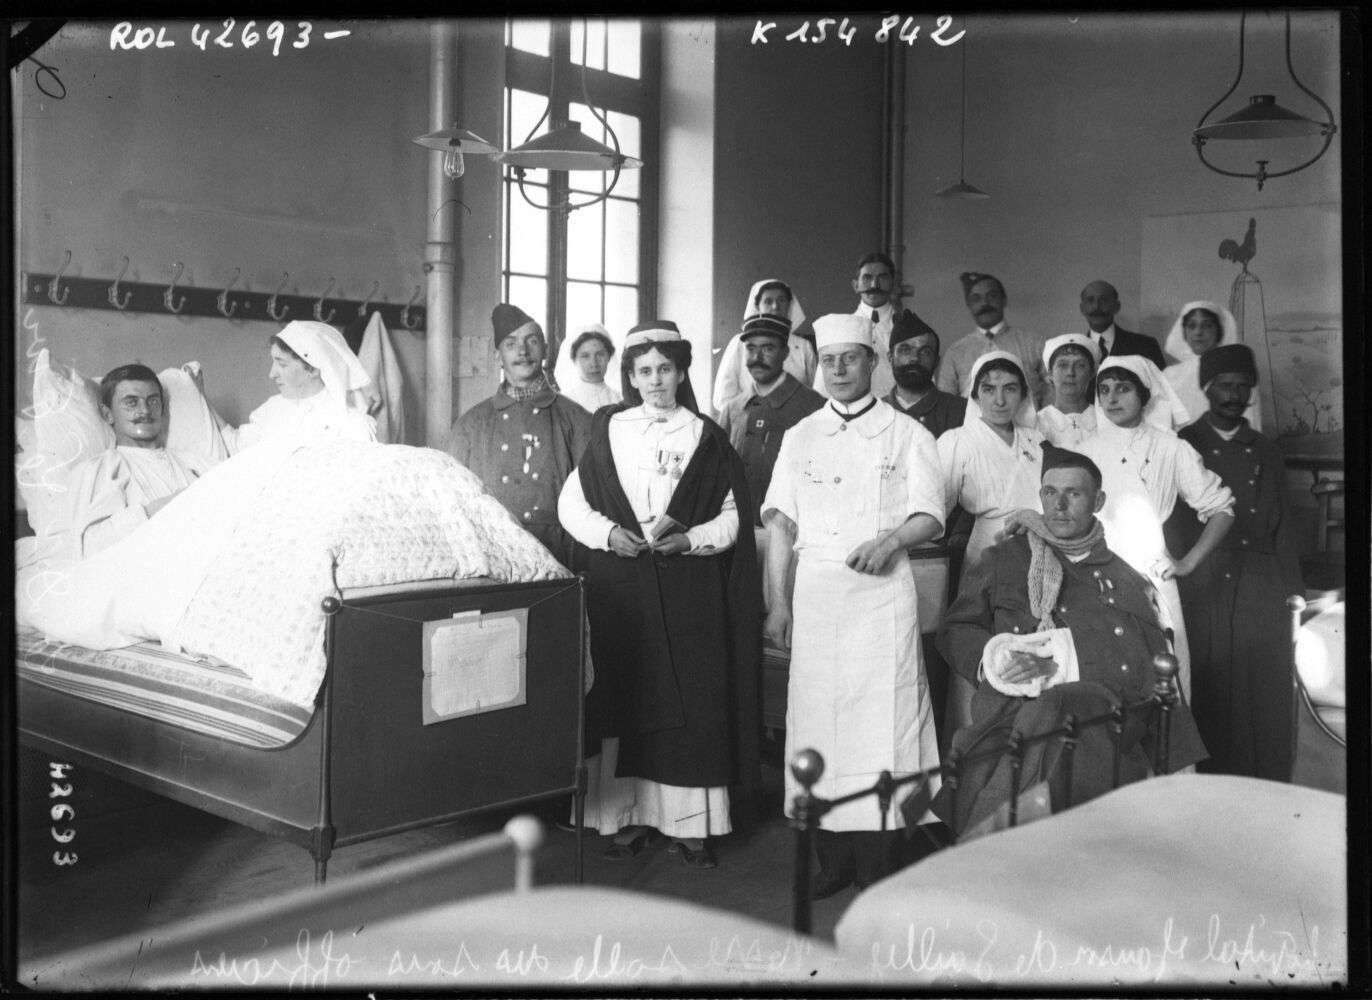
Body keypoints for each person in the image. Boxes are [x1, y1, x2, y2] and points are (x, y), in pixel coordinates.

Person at [557, 320, 760, 870]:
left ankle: (691, 825)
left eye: (664, 369)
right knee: (626, 699)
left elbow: (734, 518)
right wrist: (607, 535)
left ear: (680, 372)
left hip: (688, 587)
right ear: (630, 375)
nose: (655, 381)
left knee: (691, 704)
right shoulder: (609, 429)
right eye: (643, 371)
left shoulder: (706, 435)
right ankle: (624, 817)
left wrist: (691, 540)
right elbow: (571, 505)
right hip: (621, 588)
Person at [933, 445, 1207, 837]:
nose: (1058, 505)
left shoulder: (1129, 580)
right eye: (1049, 492)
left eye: (1073, 494)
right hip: (1011, 711)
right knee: (1047, 723)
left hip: (1106, 721)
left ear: (1098, 501)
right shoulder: (1005, 560)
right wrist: (1002, 658)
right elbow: (956, 630)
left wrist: (1057, 666)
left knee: (1061, 708)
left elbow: (1152, 675)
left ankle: (987, 843)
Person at [763, 313, 944, 897]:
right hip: (816, 598)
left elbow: (930, 514)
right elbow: (781, 527)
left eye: (851, 358)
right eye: (829, 359)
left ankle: (880, 860)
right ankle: (832, 859)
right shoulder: (801, 435)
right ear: (817, 365)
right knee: (819, 726)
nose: (838, 370)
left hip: (882, 600)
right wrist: (777, 605)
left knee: (883, 728)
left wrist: (890, 541)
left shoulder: (906, 433)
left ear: (874, 363)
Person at [1164, 344, 1302, 781]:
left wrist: (1291, 590)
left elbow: (1284, 525)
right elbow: (1173, 521)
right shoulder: (1184, 444)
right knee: (1208, 680)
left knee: (1265, 683)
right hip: (1203, 577)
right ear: (1207, 388)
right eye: (1225, 385)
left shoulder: (1265, 449)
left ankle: (1267, 784)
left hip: (1260, 579)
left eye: (1242, 386)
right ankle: (1211, 782)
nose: (1233, 394)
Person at [1078, 354, 1235, 702]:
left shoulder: (1171, 448)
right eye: (1104, 390)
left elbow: (1221, 509)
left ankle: (1171, 757)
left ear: (1144, 395)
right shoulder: (1083, 452)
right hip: (1094, 573)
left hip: (1152, 572)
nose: (1112, 398)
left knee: (1161, 678)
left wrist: (1187, 563)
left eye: (1123, 388)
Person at [445, 303, 591, 566]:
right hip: (492, 552)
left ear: (545, 350)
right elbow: (453, 506)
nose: (523, 352)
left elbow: (592, 500)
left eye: (532, 341)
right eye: (511, 344)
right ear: (497, 356)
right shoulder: (469, 425)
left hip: (558, 553)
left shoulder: (577, 419)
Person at [59, 364, 217, 559]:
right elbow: (89, 547)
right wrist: (159, 508)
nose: (145, 410)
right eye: (131, 402)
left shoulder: (195, 462)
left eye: (153, 401)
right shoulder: (101, 468)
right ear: (108, 414)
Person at [937, 351, 1046, 580]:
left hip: (1039, 547)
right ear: (975, 395)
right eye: (989, 389)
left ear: (1023, 394)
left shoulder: (1037, 440)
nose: (1000, 400)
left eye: (1010, 388)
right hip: (987, 552)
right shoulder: (956, 441)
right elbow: (936, 508)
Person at [218, 320, 378, 452]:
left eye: (282, 364)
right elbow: (236, 451)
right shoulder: (272, 408)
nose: (272, 374)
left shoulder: (352, 424)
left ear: (313, 369)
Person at [811, 252, 940, 401]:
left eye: (882, 277)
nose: (874, 285)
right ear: (855, 285)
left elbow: (925, 382)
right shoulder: (840, 331)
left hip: (900, 412)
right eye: (867, 278)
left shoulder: (909, 330)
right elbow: (822, 391)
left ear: (893, 282)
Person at [935, 272, 1047, 406]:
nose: (985, 303)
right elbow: (945, 400)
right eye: (976, 299)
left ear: (1003, 300)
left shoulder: (1034, 344)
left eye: (992, 296)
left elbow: (1053, 388)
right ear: (969, 305)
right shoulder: (955, 352)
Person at [712, 279, 816, 412]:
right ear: (757, 307)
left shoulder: (803, 346)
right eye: (768, 301)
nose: (775, 306)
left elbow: (815, 392)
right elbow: (724, 396)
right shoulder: (740, 343)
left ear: (789, 305)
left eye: (781, 300)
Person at [1162, 301, 1262, 431]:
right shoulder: (1169, 375)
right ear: (1184, 332)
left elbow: (1251, 421)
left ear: (1219, 331)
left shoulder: (1237, 373)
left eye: (1207, 325)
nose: (1198, 332)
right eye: (1192, 326)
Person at [882, 311, 966, 438]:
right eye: (905, 350)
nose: (914, 358)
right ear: (890, 357)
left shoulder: (961, 411)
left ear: (936, 361)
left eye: (925, 352)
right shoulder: (875, 411)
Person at [1079, 280, 1167, 369]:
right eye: (1090, 300)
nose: (1096, 306)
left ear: (1117, 306)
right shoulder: (1076, 349)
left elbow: (1160, 382)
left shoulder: (1146, 346)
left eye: (1104, 300)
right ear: (1082, 308)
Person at [1035, 333, 1101, 448]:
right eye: (1063, 365)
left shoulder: (1103, 419)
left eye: (1080, 365)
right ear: (1049, 374)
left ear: (1091, 373)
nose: (1070, 372)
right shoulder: (1037, 424)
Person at [553, 323, 622, 413]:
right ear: (574, 360)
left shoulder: (618, 399)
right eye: (585, 356)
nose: (594, 363)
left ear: (609, 357)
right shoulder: (564, 401)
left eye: (600, 355)